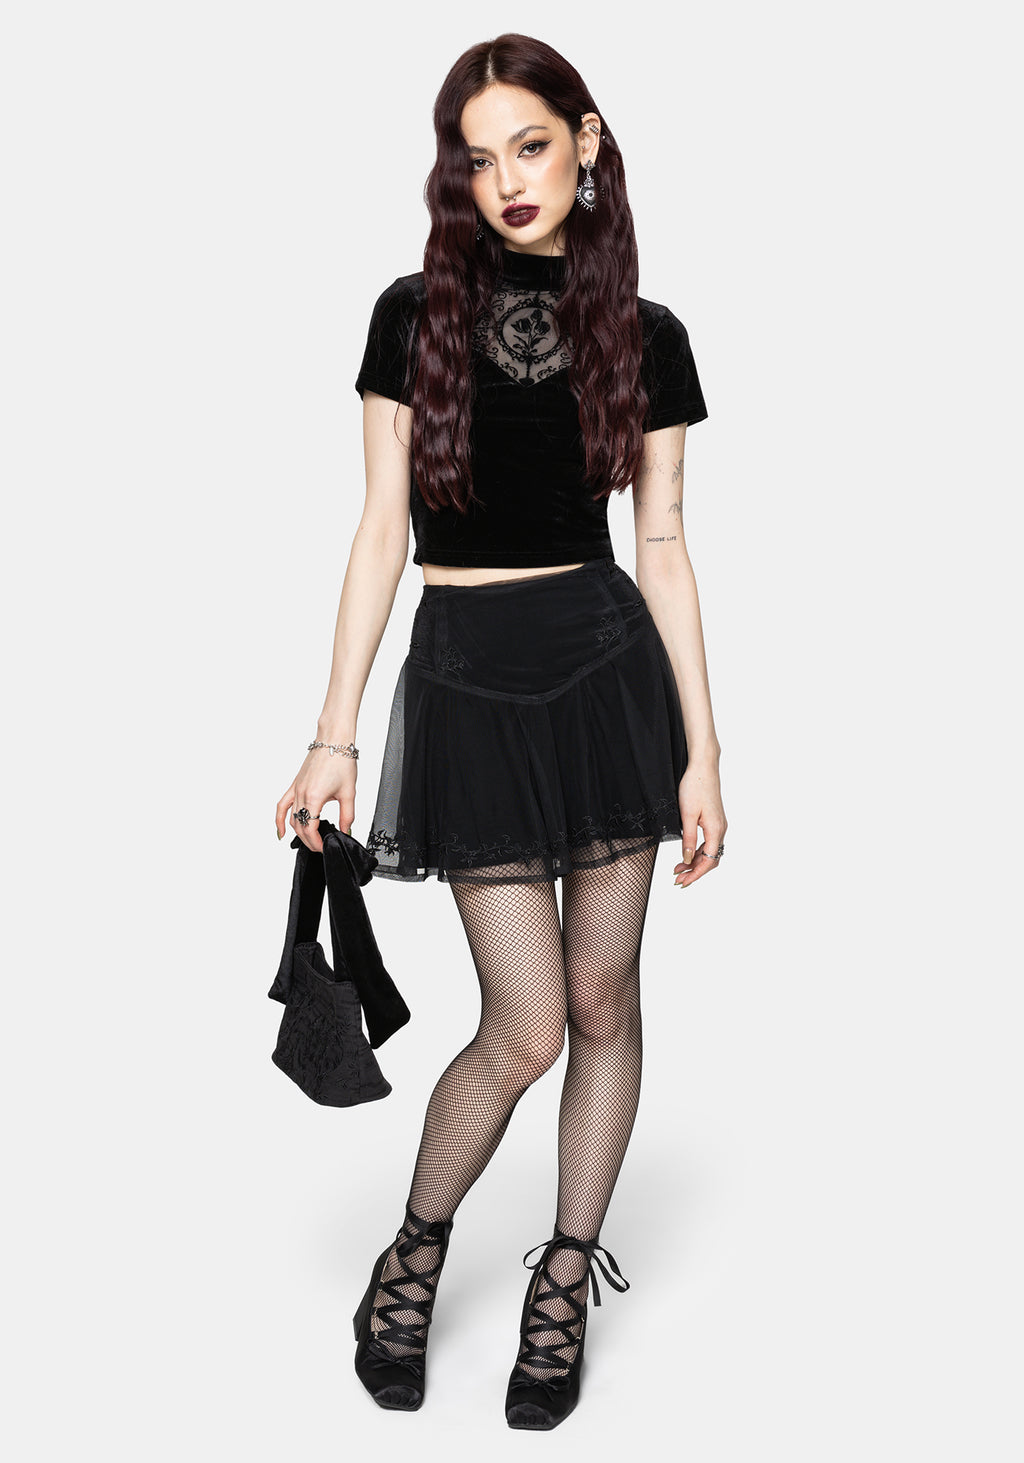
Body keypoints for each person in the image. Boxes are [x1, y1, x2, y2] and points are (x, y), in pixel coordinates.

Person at [274, 32, 727, 1432]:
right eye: (479, 158)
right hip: (469, 681)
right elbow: (380, 532)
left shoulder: (647, 335)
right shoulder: (412, 314)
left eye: (530, 145)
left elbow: (663, 546)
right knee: (525, 1026)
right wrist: (335, 734)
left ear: (586, 142)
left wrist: (706, 752)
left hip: (605, 675)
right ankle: (414, 1253)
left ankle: (564, 1278)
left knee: (604, 1003)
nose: (508, 179)